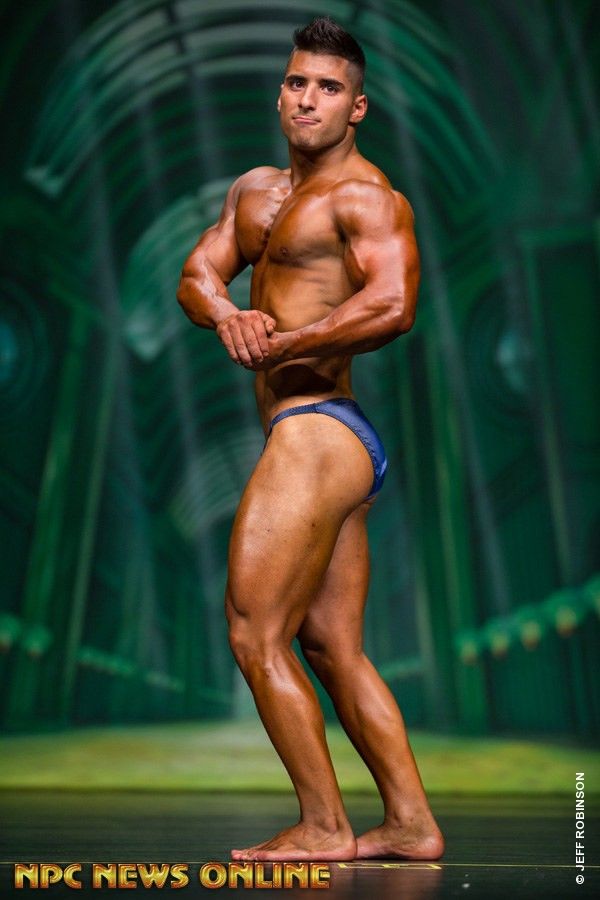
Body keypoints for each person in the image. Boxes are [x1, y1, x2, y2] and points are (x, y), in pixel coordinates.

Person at [177, 16, 445, 863]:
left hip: (317, 428)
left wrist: (286, 343)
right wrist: (228, 314)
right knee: (332, 649)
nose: (308, 98)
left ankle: (325, 825)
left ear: (356, 107)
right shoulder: (254, 192)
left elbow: (393, 305)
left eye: (329, 88)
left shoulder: (366, 197)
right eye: (297, 82)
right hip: (325, 441)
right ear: (280, 92)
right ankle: (411, 824)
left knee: (254, 632)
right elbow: (197, 274)